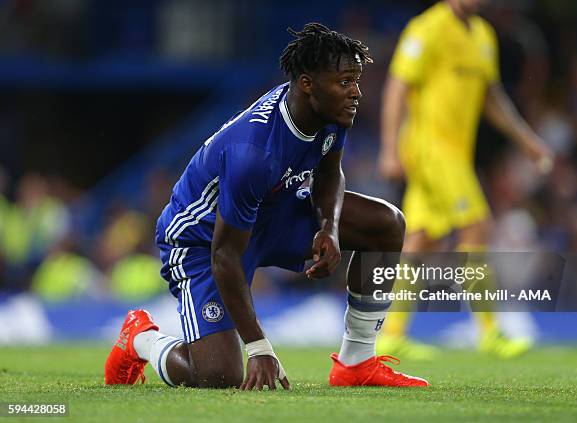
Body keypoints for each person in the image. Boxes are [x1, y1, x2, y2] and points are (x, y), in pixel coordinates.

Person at [104, 23, 429, 390]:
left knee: (385, 223)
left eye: (356, 80)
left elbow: (328, 174)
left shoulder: (330, 111)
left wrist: (329, 227)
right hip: (203, 239)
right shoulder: (253, 154)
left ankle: (357, 361)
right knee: (218, 375)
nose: (356, 92)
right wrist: (259, 346)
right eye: (345, 82)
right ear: (307, 84)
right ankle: (140, 339)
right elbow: (225, 256)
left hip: (269, 216)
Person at [377, 0, 553, 360]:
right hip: (429, 151)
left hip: (457, 156)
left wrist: (528, 141)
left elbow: (493, 99)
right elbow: (397, 88)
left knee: (421, 241)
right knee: (477, 225)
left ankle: (389, 336)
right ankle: (490, 332)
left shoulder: (484, 36)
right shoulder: (427, 29)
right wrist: (389, 150)